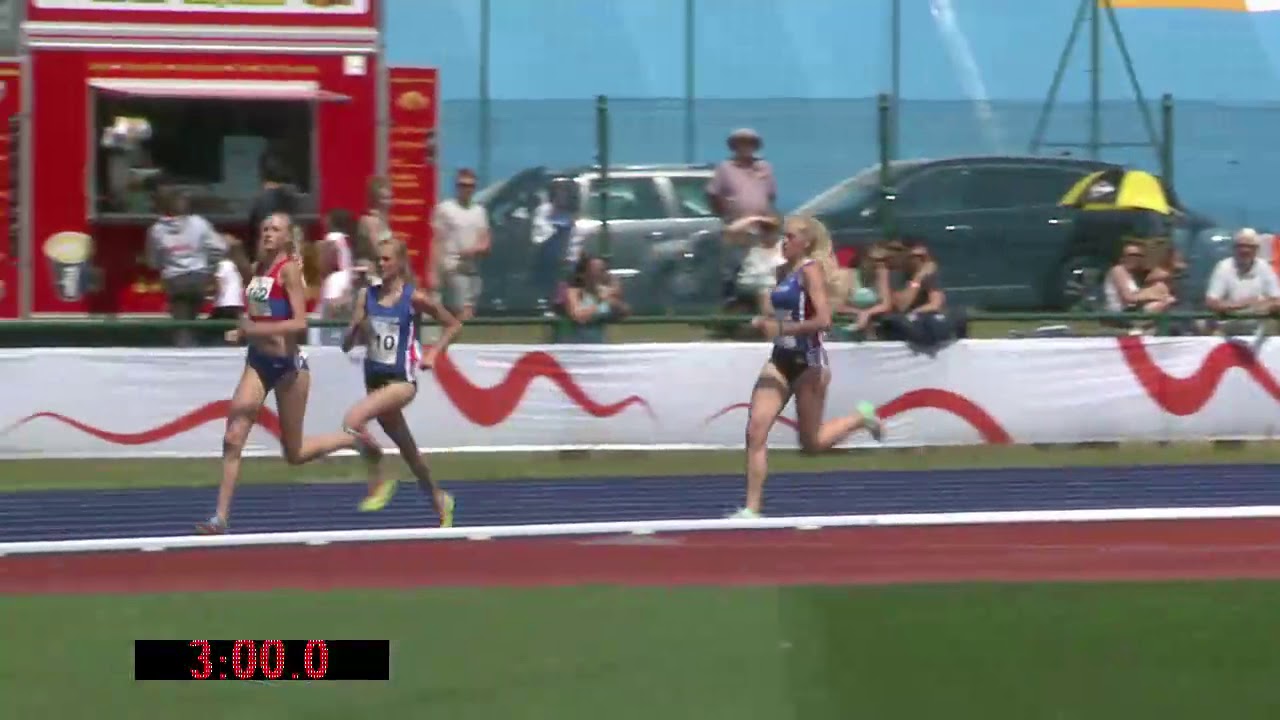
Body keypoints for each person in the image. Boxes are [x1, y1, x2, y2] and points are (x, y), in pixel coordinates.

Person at [196, 212, 384, 535]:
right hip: (258, 363)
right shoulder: (258, 270)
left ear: (286, 237)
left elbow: (300, 324)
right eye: (265, 228)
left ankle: (353, 440)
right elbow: (258, 316)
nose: (268, 233)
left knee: (294, 453)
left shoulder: (290, 272)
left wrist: (253, 329)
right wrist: (244, 333)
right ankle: (220, 518)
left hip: (289, 369)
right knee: (232, 437)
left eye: (275, 229)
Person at [733, 215, 884, 519]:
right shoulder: (779, 271)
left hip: (809, 363)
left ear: (805, 243)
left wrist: (781, 328)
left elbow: (823, 321)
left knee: (811, 444)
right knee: (756, 429)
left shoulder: (810, 272)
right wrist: (761, 320)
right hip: (780, 361)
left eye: (790, 237)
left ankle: (860, 418)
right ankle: (751, 507)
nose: (784, 242)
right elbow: (778, 312)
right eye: (783, 237)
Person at [341, 238, 462, 526]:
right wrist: (355, 324)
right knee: (410, 453)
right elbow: (347, 345)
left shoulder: (414, 298)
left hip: (401, 382)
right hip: (375, 383)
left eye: (386, 259)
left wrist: (433, 353)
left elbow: (454, 325)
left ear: (399, 263)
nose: (381, 265)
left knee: (352, 420)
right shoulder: (365, 297)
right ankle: (439, 498)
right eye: (378, 259)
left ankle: (380, 481)